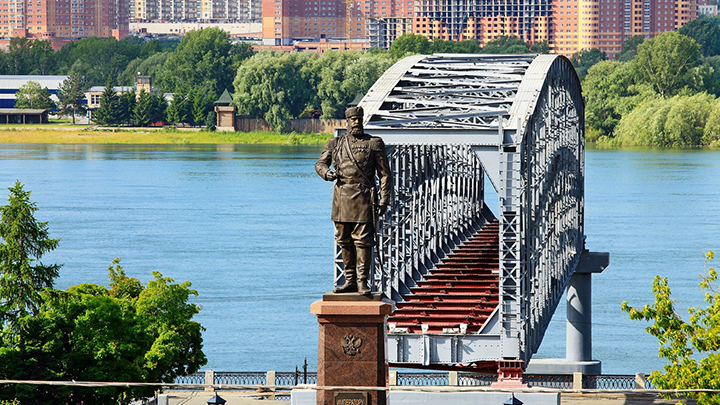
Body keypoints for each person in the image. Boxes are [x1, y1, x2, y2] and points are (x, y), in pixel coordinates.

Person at [315, 106, 392, 294]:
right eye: (353, 120)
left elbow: (385, 174)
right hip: (341, 199)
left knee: (363, 241)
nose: (356, 122)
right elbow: (320, 164)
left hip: (364, 198)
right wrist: (327, 173)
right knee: (344, 240)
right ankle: (349, 281)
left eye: (359, 119)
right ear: (347, 122)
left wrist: (384, 200)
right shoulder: (336, 143)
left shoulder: (374, 143)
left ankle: (362, 282)